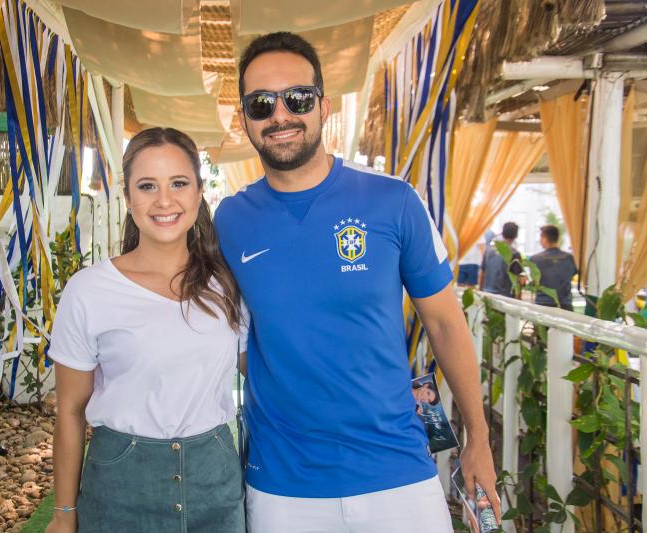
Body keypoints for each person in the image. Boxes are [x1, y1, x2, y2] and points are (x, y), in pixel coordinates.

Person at [214, 32, 499, 532]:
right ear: (244, 119)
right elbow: (227, 332)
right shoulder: (230, 220)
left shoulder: (393, 201)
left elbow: (445, 325)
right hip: (283, 485)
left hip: (398, 474)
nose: (280, 115)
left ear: (324, 107)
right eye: (261, 104)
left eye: (297, 98)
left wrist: (477, 440)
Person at [46, 127, 247, 533]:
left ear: (199, 192)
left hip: (216, 485)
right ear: (128, 196)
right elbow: (70, 411)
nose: (164, 200)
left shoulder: (226, 285)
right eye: (147, 186)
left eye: (178, 183)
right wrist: (63, 513)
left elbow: (263, 374)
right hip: (120, 486)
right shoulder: (89, 291)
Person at [529, 224, 576, 311]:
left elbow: (534, 281)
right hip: (565, 306)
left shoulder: (535, 259)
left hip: (543, 306)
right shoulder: (570, 258)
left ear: (545, 239)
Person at [479, 222, 523, 297]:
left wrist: (481, 290)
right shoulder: (515, 253)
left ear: (502, 234)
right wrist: (518, 297)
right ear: (516, 236)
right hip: (505, 296)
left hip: (487, 293)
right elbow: (517, 278)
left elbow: (482, 272)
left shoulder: (489, 250)